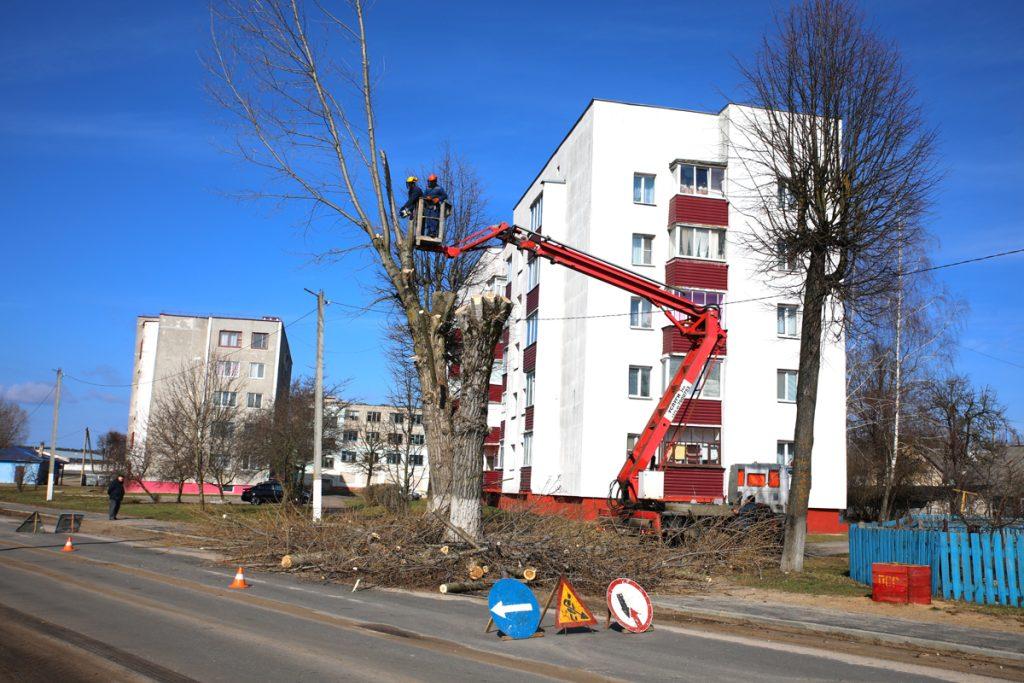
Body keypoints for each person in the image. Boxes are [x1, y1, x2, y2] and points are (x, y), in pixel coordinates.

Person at [421, 173, 448, 238]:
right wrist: (427, 197)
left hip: (435, 207)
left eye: (431, 182)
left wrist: (438, 199)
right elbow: (424, 196)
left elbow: (445, 196)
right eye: (429, 181)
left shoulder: (439, 188)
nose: (430, 183)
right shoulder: (428, 188)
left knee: (434, 220)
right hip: (428, 207)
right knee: (428, 220)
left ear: (434, 182)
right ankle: (429, 232)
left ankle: (434, 232)